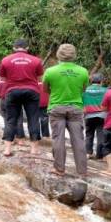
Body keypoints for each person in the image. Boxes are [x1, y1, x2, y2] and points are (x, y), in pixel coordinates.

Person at [43, 44, 89, 177]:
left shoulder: (51, 71)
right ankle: (82, 171)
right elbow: (83, 89)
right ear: (74, 55)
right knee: (78, 139)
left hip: (56, 107)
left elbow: (45, 90)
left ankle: (59, 169)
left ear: (58, 55)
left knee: (58, 138)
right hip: (76, 108)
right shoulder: (83, 71)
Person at [0, 39, 44, 156]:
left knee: (11, 119)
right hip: (31, 91)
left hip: (12, 91)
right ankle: (34, 149)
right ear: (27, 48)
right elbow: (39, 79)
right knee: (33, 118)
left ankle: (7, 149)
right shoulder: (36, 60)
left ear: (14, 48)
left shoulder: (5, 60)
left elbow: (2, 79)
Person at [83, 73, 108, 159]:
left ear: (91, 80)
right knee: (101, 135)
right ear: (101, 81)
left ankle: (88, 153)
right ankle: (99, 155)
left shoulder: (85, 90)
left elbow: (82, 102)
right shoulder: (106, 90)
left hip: (88, 116)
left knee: (89, 134)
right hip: (102, 115)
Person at [0, 76, 26, 141]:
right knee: (19, 119)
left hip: (3, 101)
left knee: (7, 120)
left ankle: (8, 138)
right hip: (14, 100)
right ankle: (20, 140)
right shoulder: (14, 81)